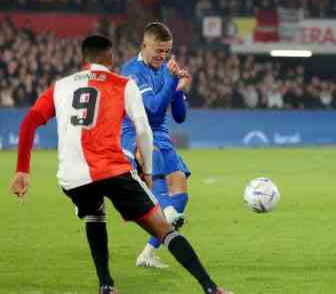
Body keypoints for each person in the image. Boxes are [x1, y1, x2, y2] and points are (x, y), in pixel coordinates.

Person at [9, 35, 232, 294]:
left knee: (94, 212)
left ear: (83, 59)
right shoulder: (123, 84)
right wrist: (147, 171)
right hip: (112, 170)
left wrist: (22, 170)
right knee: (164, 228)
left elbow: (28, 122)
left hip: (72, 176)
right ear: (110, 58)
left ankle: (106, 285)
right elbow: (144, 131)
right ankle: (211, 288)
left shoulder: (60, 87)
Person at [120, 22, 193, 268]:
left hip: (161, 133)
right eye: (158, 51)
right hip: (136, 132)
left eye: (167, 51)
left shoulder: (165, 69)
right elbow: (150, 108)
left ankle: (148, 254)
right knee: (167, 203)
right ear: (144, 45)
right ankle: (164, 213)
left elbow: (180, 116)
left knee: (180, 196)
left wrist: (180, 91)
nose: (162, 56)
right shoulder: (132, 71)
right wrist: (172, 82)